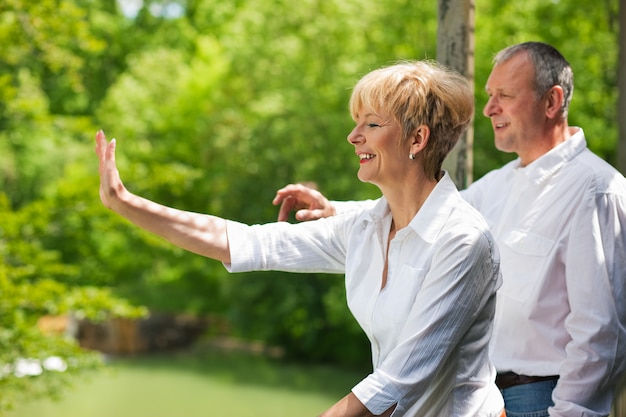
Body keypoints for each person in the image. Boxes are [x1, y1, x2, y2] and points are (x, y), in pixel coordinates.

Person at [95, 60, 506, 416]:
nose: (353, 135)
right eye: (356, 122)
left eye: (372, 124)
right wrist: (127, 203)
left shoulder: (463, 241)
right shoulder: (365, 226)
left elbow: (398, 380)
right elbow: (247, 242)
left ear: (417, 139)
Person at [273, 42, 626, 417]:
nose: (490, 109)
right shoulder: (500, 184)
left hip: (543, 402)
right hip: (488, 402)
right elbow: (423, 213)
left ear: (551, 101)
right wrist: (334, 210)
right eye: (490, 96)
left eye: (504, 96)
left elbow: (600, 333)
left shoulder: (596, 190)